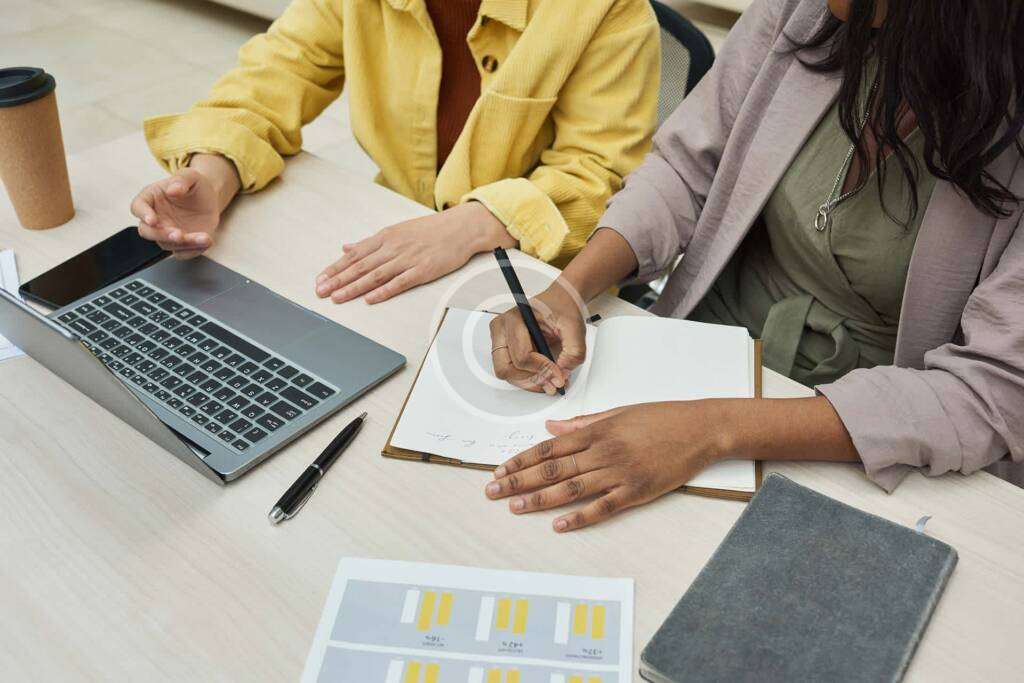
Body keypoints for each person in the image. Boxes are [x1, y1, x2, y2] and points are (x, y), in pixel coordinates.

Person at [485, 0, 1024, 531]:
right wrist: (569, 290)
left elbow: (994, 391)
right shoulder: (805, 11)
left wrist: (712, 429)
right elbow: (685, 170)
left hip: (869, 432)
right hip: (699, 349)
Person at [129, 0, 659, 304]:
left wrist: (475, 224)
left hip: (540, 280)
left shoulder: (607, 9)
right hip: (398, 245)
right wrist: (213, 173)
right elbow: (277, 73)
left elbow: (602, 175)